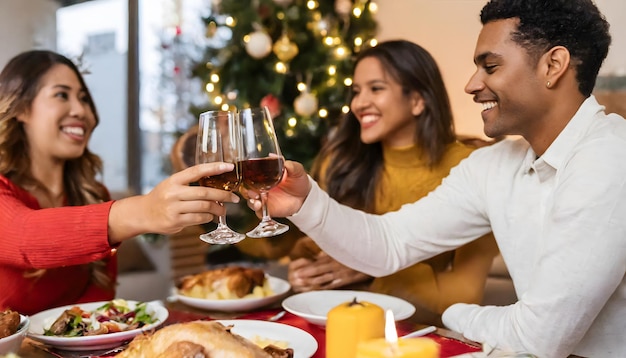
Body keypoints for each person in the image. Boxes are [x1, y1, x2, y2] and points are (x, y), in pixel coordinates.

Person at [248, 0, 626, 356]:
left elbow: (541, 337)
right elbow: (389, 244)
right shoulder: (494, 166)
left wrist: (453, 316)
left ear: (553, 65)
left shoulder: (610, 157)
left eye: (490, 67)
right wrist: (305, 203)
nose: (472, 84)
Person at [0, 50, 239, 315]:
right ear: (21, 108)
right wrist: (143, 211)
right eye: (61, 95)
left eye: (83, 99)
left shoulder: (93, 195)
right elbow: (26, 237)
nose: (81, 110)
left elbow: (98, 299)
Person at [285, 40, 499, 325]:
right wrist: (304, 275)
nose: (359, 104)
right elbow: (311, 251)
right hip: (343, 323)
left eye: (376, 88)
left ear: (417, 100)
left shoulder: (472, 166)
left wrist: (370, 265)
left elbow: (464, 295)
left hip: (419, 333)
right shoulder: (341, 161)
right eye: (357, 91)